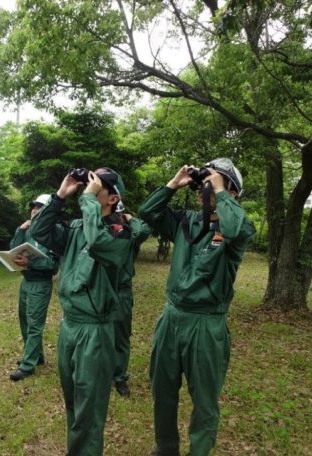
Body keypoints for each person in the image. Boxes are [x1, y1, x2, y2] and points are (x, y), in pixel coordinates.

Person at [138, 158, 256, 456]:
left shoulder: (239, 223)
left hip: (206, 323)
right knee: (162, 390)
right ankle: (166, 448)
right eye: (206, 180)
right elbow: (147, 213)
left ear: (233, 191)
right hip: (172, 316)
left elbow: (232, 230)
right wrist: (173, 185)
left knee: (204, 400)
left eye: (216, 180)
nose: (208, 185)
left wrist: (222, 190)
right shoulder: (188, 220)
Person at [30, 167, 133, 456]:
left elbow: (98, 241)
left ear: (112, 199)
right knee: (73, 400)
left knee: (89, 406)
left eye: (97, 186)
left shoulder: (120, 232)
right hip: (70, 326)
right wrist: (61, 195)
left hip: (95, 329)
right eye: (89, 182)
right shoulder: (76, 228)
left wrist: (87, 198)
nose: (89, 188)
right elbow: (39, 231)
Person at [9, 193, 59, 381]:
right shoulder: (28, 230)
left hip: (40, 283)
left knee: (35, 324)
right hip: (26, 281)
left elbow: (53, 265)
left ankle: (27, 365)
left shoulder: (52, 233)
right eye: (33, 206)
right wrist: (21, 230)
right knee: (24, 320)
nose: (34, 210)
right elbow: (14, 249)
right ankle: (36, 357)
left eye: (39, 207)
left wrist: (30, 264)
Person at [112, 202, 151, 397]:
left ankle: (119, 377)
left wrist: (130, 218)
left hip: (121, 292)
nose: (116, 217)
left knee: (121, 336)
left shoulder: (130, 235)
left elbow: (144, 230)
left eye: (119, 213)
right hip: (99, 289)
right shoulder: (99, 231)